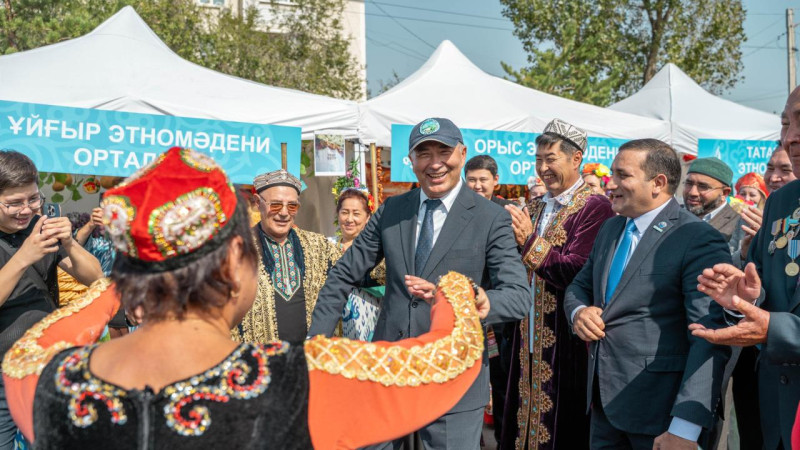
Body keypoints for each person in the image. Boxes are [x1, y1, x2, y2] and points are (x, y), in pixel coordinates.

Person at [0, 146, 489, 449]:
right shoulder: (302, 382)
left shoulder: (42, 380)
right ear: (237, 258)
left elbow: (52, 332)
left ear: (129, 269)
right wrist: (455, 291)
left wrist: (119, 289)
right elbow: (452, 356)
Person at [308, 117, 530, 449]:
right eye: (423, 153)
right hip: (389, 373)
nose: (435, 163)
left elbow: (518, 296)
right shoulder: (392, 210)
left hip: (453, 377)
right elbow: (343, 274)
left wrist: (478, 299)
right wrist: (316, 345)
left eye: (444, 151)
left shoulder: (491, 217)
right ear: (411, 161)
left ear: (462, 152)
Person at [564, 139, 731, 449]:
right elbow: (579, 286)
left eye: (621, 175)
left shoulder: (696, 238)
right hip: (603, 408)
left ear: (658, 183)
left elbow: (708, 337)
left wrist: (685, 426)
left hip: (660, 418)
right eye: (611, 174)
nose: (609, 184)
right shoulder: (611, 229)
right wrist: (579, 312)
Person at [694, 86, 800, 450]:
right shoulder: (782, 203)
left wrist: (776, 327)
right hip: (776, 414)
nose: (790, 137)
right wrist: (746, 298)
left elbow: (778, 324)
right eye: (786, 123)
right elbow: (771, 288)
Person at [501, 119, 615, 449]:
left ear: (576, 159)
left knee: (562, 428)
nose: (543, 168)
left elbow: (576, 272)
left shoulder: (595, 207)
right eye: (538, 159)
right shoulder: (535, 206)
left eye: (551, 159)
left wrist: (527, 242)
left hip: (567, 338)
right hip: (525, 335)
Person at [0, 151, 103, 450]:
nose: (26, 209)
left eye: (33, 199)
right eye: (14, 203)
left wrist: (69, 243)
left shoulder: (40, 228)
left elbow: (95, 276)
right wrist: (23, 257)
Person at [232, 169, 339, 344]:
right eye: (275, 205)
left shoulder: (318, 245)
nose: (283, 212)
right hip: (259, 359)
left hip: (309, 357)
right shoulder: (238, 249)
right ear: (258, 203)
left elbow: (355, 270)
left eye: (292, 206)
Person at [464, 154, 513, 443]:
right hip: (465, 315)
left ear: (496, 180)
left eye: (484, 180)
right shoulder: (457, 212)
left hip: (499, 317)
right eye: (472, 180)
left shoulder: (507, 212)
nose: (478, 185)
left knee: (503, 384)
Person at [332, 187, 384, 341]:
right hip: (333, 324)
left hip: (368, 321)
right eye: (344, 212)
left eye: (356, 214)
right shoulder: (327, 246)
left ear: (368, 217)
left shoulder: (378, 252)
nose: (349, 219)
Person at [683, 157, 739, 242]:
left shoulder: (737, 224)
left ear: (724, 193)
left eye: (703, 186)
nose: (692, 192)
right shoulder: (673, 215)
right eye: (689, 183)